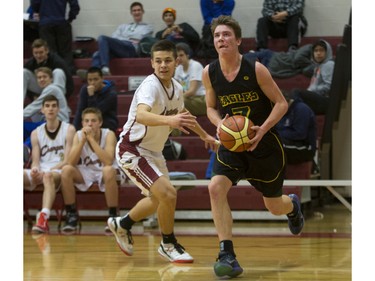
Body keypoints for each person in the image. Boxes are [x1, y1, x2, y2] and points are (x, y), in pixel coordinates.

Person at [202, 16, 304, 278]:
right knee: (215, 187)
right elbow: (211, 108)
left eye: (226, 35)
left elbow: (281, 103)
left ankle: (292, 206)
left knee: (273, 206)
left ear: (237, 40)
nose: (221, 39)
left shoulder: (256, 69)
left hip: (264, 144)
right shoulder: (209, 72)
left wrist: (263, 129)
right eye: (217, 36)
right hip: (232, 145)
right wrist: (218, 124)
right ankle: (227, 254)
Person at [107, 40, 218, 263]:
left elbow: (183, 112)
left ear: (176, 62)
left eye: (167, 60)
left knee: (159, 200)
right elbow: (141, 115)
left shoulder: (176, 87)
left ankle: (122, 224)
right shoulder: (150, 86)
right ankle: (167, 244)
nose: (163, 65)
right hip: (133, 150)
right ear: (152, 63)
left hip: (154, 152)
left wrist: (204, 135)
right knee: (168, 194)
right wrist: (171, 120)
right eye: (158, 61)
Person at [60, 107, 121, 233]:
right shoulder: (78, 135)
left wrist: (92, 140)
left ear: (100, 123)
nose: (89, 124)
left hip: (105, 171)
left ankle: (113, 216)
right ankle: (71, 215)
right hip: (87, 170)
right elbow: (71, 162)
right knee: (66, 170)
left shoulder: (109, 134)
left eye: (93, 121)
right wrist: (83, 141)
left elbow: (108, 161)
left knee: (108, 170)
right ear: (82, 123)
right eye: (86, 121)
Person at [24, 94, 76, 234]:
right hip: (42, 170)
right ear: (42, 110)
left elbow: (68, 160)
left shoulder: (69, 129)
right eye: (47, 106)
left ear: (59, 109)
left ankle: (43, 218)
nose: (50, 109)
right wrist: (35, 169)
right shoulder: (36, 133)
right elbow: (35, 160)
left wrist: (47, 170)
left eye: (54, 106)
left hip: (59, 171)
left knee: (47, 176)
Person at [90, 2, 153, 75]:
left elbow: (140, 38)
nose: (136, 12)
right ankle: (95, 74)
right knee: (97, 54)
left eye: (139, 10)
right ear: (131, 13)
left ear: (142, 12)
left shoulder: (148, 27)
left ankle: (104, 67)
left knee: (102, 38)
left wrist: (123, 38)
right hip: (120, 48)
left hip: (132, 49)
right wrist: (130, 38)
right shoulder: (123, 26)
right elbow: (114, 36)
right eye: (134, 10)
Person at [24, 67, 71, 149]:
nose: (42, 79)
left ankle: (26, 148)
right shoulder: (47, 90)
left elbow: (33, 107)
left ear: (51, 79)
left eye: (44, 77)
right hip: (46, 123)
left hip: (57, 125)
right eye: (39, 77)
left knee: (35, 133)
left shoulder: (52, 88)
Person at [30, 0, 80, 74]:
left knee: (50, 52)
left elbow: (34, 4)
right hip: (62, 22)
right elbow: (75, 5)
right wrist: (70, 18)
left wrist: (39, 11)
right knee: (66, 52)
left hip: (45, 23)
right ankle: (69, 74)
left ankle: (53, 73)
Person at [290, 39, 335, 115]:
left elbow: (329, 86)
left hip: (326, 101)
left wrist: (311, 91)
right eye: (316, 51)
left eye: (321, 50)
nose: (318, 53)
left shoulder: (328, 64)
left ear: (327, 52)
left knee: (296, 92)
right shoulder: (318, 66)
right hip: (318, 98)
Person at [73, 67, 118, 133]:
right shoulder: (85, 89)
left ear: (102, 78)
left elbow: (96, 112)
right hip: (89, 123)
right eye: (90, 80)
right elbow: (80, 110)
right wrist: (75, 129)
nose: (93, 83)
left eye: (95, 79)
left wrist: (91, 96)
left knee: (92, 122)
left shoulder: (111, 94)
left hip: (107, 124)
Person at [276, 94, 316, 165]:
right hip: (290, 143)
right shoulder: (282, 111)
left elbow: (300, 134)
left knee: (276, 146)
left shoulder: (301, 109)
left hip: (305, 148)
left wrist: (277, 133)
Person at [174, 43, 206, 116]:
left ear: (187, 55)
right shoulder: (178, 68)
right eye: (177, 56)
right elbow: (176, 89)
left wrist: (175, 99)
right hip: (188, 98)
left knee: (179, 103)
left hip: (201, 99)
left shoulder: (195, 66)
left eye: (181, 55)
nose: (179, 58)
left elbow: (192, 91)